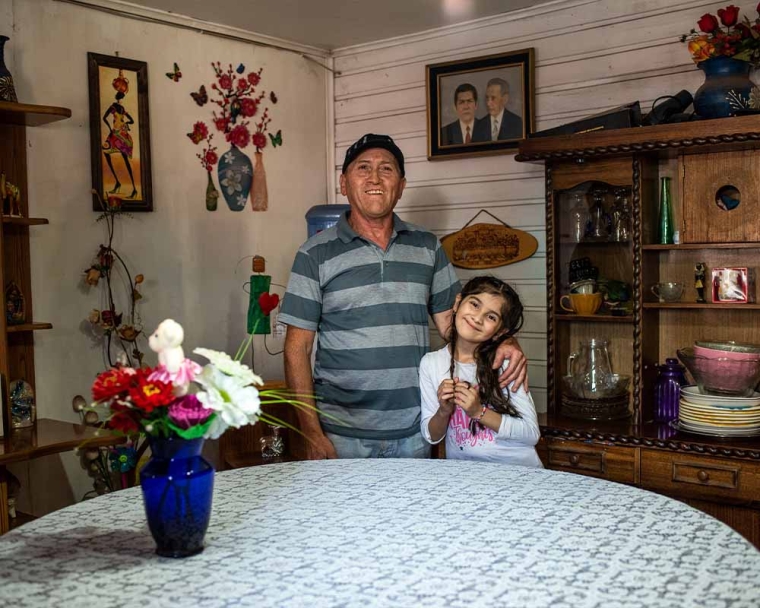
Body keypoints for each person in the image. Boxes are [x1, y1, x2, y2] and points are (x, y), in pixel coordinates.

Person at [280, 133, 528, 460]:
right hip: (341, 432)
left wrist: (504, 341)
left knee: (416, 513)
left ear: (401, 185)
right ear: (344, 183)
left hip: (415, 429)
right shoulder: (314, 254)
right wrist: (311, 433)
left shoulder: (427, 247)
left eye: (386, 169)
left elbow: (456, 328)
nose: (374, 178)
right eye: (363, 168)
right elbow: (297, 349)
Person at [420, 276, 541, 466]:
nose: (477, 318)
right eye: (475, 304)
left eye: (491, 317)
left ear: (500, 332)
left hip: (517, 472)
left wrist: (478, 412)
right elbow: (431, 436)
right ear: (458, 303)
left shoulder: (505, 362)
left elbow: (531, 433)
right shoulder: (431, 363)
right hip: (467, 477)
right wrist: (443, 411)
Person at [102, 91, 138, 199]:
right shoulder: (114, 107)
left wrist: (126, 123)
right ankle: (118, 182)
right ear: (119, 98)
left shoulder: (122, 109)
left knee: (125, 159)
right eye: (122, 98)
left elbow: (132, 121)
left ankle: (134, 189)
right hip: (117, 133)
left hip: (120, 134)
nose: (122, 100)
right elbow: (104, 117)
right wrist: (110, 128)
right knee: (106, 152)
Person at [475, 77, 523, 142]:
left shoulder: (517, 123)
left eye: (493, 98)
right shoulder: (478, 126)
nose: (488, 103)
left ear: (505, 99)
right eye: (487, 98)